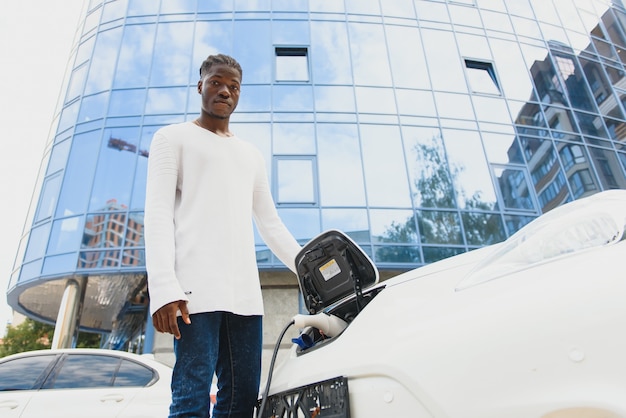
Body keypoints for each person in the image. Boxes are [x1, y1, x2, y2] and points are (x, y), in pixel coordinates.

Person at [144, 53, 302, 418]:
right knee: (191, 396)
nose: (225, 91)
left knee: (241, 400)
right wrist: (164, 288)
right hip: (192, 293)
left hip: (245, 297)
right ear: (200, 86)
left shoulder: (250, 154)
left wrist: (310, 272)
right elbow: (157, 214)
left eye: (234, 87)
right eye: (216, 82)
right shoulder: (172, 138)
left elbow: (271, 224)